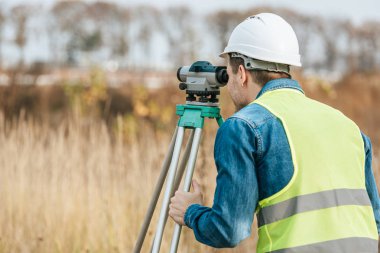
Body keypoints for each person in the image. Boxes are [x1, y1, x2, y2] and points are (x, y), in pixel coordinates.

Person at [169, 13, 380, 252]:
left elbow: (230, 230)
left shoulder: (242, 127)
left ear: (241, 73)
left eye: (228, 72)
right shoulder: (347, 125)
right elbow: (373, 219)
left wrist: (190, 212)